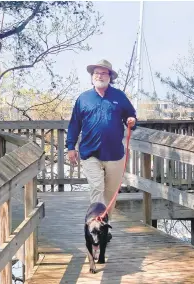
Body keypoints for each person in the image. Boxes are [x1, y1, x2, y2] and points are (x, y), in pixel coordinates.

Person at [66, 59, 137, 241]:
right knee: (97, 188)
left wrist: (131, 121)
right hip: (90, 153)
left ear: (109, 77)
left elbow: (131, 115)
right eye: (96, 73)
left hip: (114, 154)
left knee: (111, 193)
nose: (99, 76)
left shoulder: (119, 96)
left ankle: (104, 225)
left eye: (103, 73)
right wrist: (70, 147)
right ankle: (94, 224)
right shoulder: (83, 99)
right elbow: (75, 124)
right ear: (92, 77)